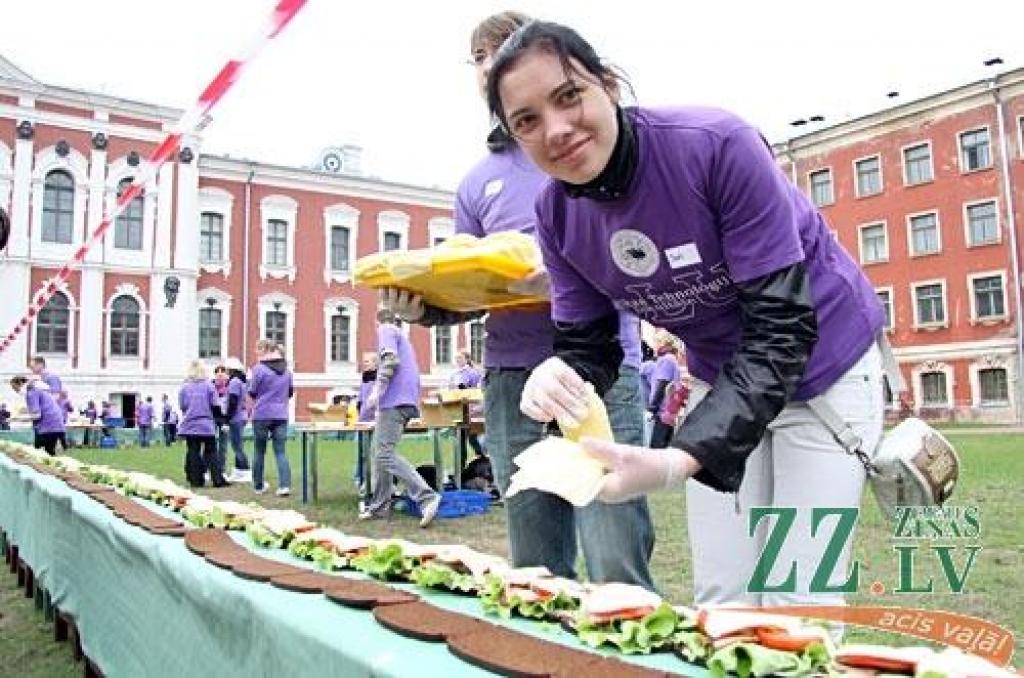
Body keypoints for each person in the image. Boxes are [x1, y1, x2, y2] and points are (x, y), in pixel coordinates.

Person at [487, 21, 885, 612]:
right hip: (719, 379)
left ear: (609, 84)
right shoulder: (554, 214)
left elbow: (781, 328)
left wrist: (679, 459)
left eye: (569, 95)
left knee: (799, 604)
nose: (557, 130)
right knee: (721, 602)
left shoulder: (716, 145)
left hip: (825, 372)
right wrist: (559, 376)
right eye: (527, 121)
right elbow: (589, 344)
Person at [379, 11, 655, 589]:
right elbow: (474, 292)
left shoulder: (584, 145)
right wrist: (425, 308)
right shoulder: (477, 182)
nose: (490, 64)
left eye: (500, 48)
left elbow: (636, 252)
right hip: (511, 378)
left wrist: (561, 279)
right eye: (478, 57)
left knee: (614, 552)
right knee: (533, 563)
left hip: (602, 369)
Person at [359, 309, 441, 528]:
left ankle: (426, 497)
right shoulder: (403, 337)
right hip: (405, 399)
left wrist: (378, 388)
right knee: (379, 453)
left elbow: (390, 360)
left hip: (395, 400)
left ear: (376, 322)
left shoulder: (386, 330)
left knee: (384, 454)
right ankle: (379, 507)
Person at [249, 340, 293, 496]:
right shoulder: (287, 371)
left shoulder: (259, 369)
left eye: (259, 349)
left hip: (262, 413)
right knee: (281, 451)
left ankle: (258, 485)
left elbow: (253, 391)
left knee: (259, 451)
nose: (256, 352)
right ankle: (285, 485)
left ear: (266, 351)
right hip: (281, 414)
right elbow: (290, 393)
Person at [178, 361, 228, 488]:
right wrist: (220, 420)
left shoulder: (184, 387)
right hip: (206, 423)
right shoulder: (209, 386)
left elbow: (183, 406)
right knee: (211, 452)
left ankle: (195, 479)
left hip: (190, 423)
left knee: (193, 451)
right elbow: (215, 405)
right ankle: (217, 479)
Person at [11, 375, 65, 456]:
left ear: (21, 384)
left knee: (43, 453)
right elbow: (35, 410)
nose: (15, 391)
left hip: (48, 424)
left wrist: (17, 419)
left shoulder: (31, 393)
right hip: (55, 422)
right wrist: (19, 415)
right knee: (45, 452)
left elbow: (36, 415)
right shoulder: (36, 390)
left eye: (15, 388)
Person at [447, 349, 486, 457]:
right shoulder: (454, 374)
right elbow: (450, 389)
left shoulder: (473, 373)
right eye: (456, 358)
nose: (458, 360)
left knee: (471, 437)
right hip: (457, 409)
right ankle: (461, 465)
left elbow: (476, 391)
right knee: (460, 439)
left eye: (460, 358)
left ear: (467, 359)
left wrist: (463, 389)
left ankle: (482, 458)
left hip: (469, 410)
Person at [647, 333, 681, 448]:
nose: (654, 345)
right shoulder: (672, 359)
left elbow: (661, 385)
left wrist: (651, 408)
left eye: (656, 341)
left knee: (655, 448)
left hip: (662, 413)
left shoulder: (667, 360)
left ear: (662, 343)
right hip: (669, 413)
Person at [223, 357, 252, 483]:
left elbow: (233, 402)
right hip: (241, 416)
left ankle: (245, 470)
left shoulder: (234, 382)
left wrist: (227, 419)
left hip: (235, 417)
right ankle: (239, 470)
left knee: (237, 446)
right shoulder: (241, 381)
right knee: (237, 444)